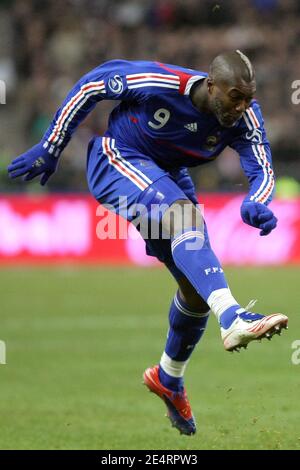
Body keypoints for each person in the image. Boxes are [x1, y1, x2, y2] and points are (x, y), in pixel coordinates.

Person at [8, 50, 288, 436]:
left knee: (195, 289)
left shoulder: (246, 118)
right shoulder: (159, 82)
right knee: (185, 219)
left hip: (166, 175)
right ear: (211, 86)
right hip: (118, 158)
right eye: (235, 96)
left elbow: (263, 168)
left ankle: (169, 378)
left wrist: (257, 200)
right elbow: (92, 84)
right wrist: (53, 145)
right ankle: (234, 317)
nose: (241, 106)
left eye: (248, 98)